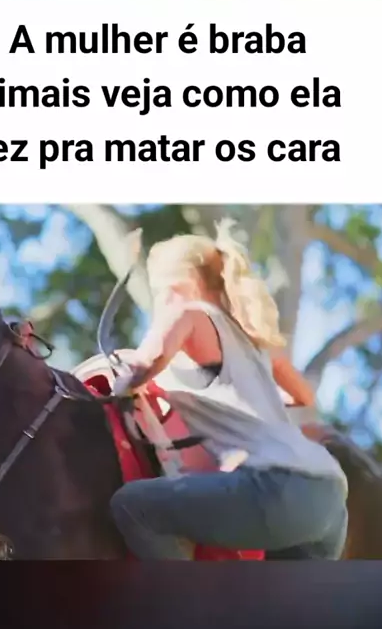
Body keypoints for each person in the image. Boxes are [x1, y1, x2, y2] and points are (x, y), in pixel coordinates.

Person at [109, 220, 348, 560]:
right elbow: (304, 398)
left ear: (178, 285)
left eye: (159, 292)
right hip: (330, 498)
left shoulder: (187, 314)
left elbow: (144, 365)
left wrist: (121, 377)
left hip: (278, 488)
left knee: (132, 506)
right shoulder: (254, 337)